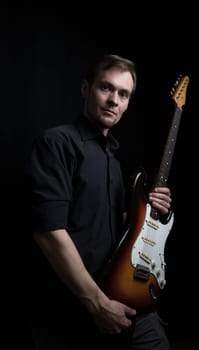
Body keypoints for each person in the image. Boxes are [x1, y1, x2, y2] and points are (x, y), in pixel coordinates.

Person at [24, 53, 172, 349]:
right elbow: (48, 233)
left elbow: (122, 232)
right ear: (85, 89)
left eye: (123, 94)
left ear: (128, 103)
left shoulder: (114, 162)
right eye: (106, 88)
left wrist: (150, 211)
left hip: (125, 298)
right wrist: (97, 303)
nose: (113, 100)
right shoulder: (56, 143)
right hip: (76, 308)